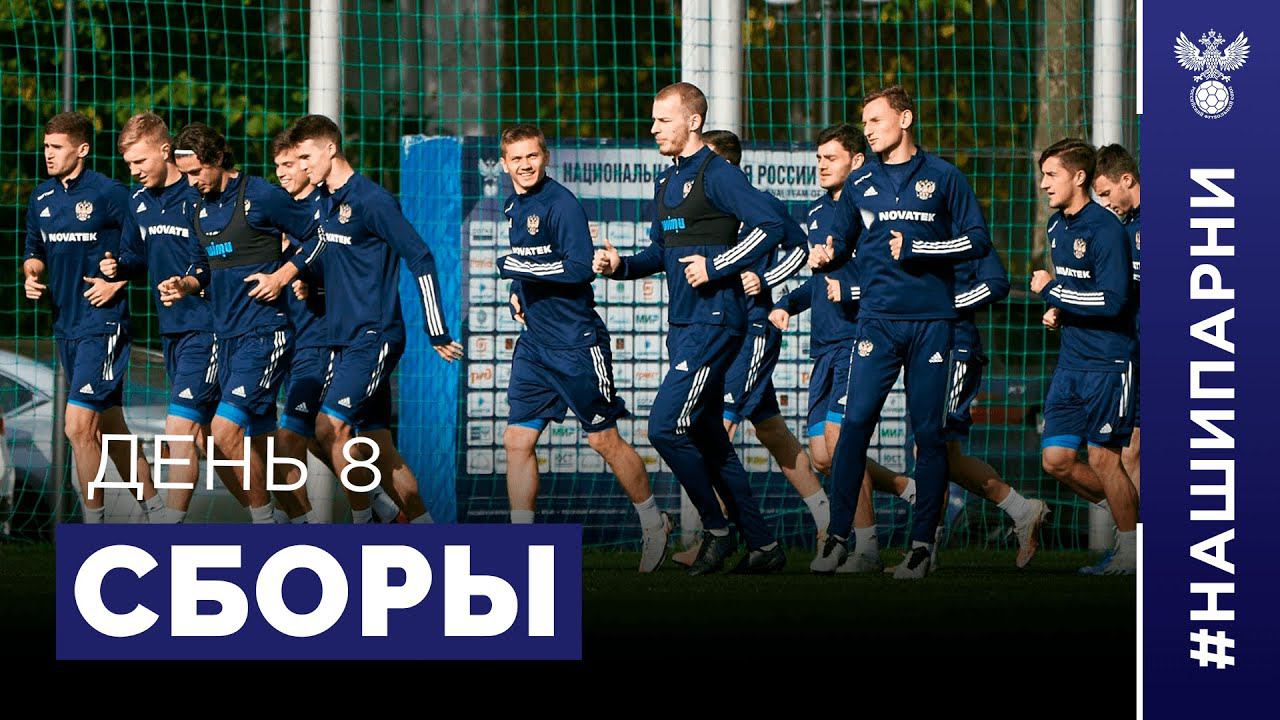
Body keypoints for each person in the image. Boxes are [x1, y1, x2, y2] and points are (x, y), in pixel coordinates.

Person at [593, 82, 792, 575]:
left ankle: (717, 531)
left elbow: (772, 226)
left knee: (664, 427)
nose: (653, 128)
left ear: (693, 121)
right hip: (682, 324)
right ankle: (764, 545)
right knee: (707, 436)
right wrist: (621, 266)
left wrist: (718, 265)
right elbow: (661, 253)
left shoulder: (717, 173)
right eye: (653, 119)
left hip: (715, 321)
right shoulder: (667, 179)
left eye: (663, 119)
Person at [812, 86, 993, 579]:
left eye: (875, 120)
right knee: (853, 427)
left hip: (933, 325)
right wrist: (828, 253)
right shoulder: (860, 182)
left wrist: (920, 248)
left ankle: (921, 547)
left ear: (905, 119)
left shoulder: (944, 176)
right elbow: (842, 240)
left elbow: (978, 240)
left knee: (929, 435)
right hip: (877, 323)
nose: (867, 129)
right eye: (864, 122)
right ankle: (839, 537)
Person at [497, 123, 670, 571]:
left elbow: (579, 269)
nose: (525, 165)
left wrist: (517, 268)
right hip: (535, 346)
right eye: (516, 158)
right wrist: (517, 290)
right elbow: (531, 262)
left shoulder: (562, 204)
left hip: (576, 344)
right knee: (517, 439)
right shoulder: (513, 204)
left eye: (532, 156)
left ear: (545, 157)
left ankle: (654, 522)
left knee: (603, 440)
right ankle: (521, 547)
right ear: (504, 164)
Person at [290, 114, 462, 524]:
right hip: (343, 340)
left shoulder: (372, 200)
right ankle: (426, 531)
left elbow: (420, 256)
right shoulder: (326, 202)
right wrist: (307, 280)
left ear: (331, 148)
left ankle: (366, 525)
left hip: (374, 336)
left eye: (306, 157)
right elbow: (341, 264)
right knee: (380, 451)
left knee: (327, 428)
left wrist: (436, 330)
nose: (301, 166)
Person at [163, 122, 325, 523]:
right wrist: (184, 284)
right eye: (185, 175)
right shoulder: (197, 207)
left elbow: (319, 236)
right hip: (226, 339)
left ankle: (264, 525)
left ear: (218, 158)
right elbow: (201, 266)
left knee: (222, 431)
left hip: (265, 334)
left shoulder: (261, 195)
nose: (191, 182)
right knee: (264, 452)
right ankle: (301, 527)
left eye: (196, 172)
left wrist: (282, 277)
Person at [103, 112, 248, 522]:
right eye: (129, 164)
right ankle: (270, 516)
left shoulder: (198, 194)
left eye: (140, 161)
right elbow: (136, 256)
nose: (134, 171)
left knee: (178, 430)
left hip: (209, 328)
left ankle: (167, 531)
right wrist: (118, 266)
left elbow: (224, 256)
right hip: (173, 330)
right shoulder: (138, 201)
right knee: (213, 442)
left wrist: (191, 283)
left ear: (166, 151)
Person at [24, 111, 162, 523]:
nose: (49, 154)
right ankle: (158, 514)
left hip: (103, 324)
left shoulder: (111, 193)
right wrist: (32, 274)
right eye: (46, 146)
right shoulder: (41, 198)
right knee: (113, 428)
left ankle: (92, 532)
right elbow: (34, 251)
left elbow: (144, 251)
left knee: (78, 426)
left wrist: (117, 280)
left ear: (82, 149)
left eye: (57, 147)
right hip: (65, 325)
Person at [1032, 139, 1138, 575]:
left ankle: (1131, 552)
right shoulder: (1057, 226)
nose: (1043, 184)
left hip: (1107, 363)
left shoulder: (1106, 229)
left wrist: (1053, 292)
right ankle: (1131, 514)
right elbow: (1080, 290)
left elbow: (1113, 302)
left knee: (1104, 459)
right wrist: (1059, 308)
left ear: (1079, 177)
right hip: (1070, 363)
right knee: (1055, 460)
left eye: (1051, 175)